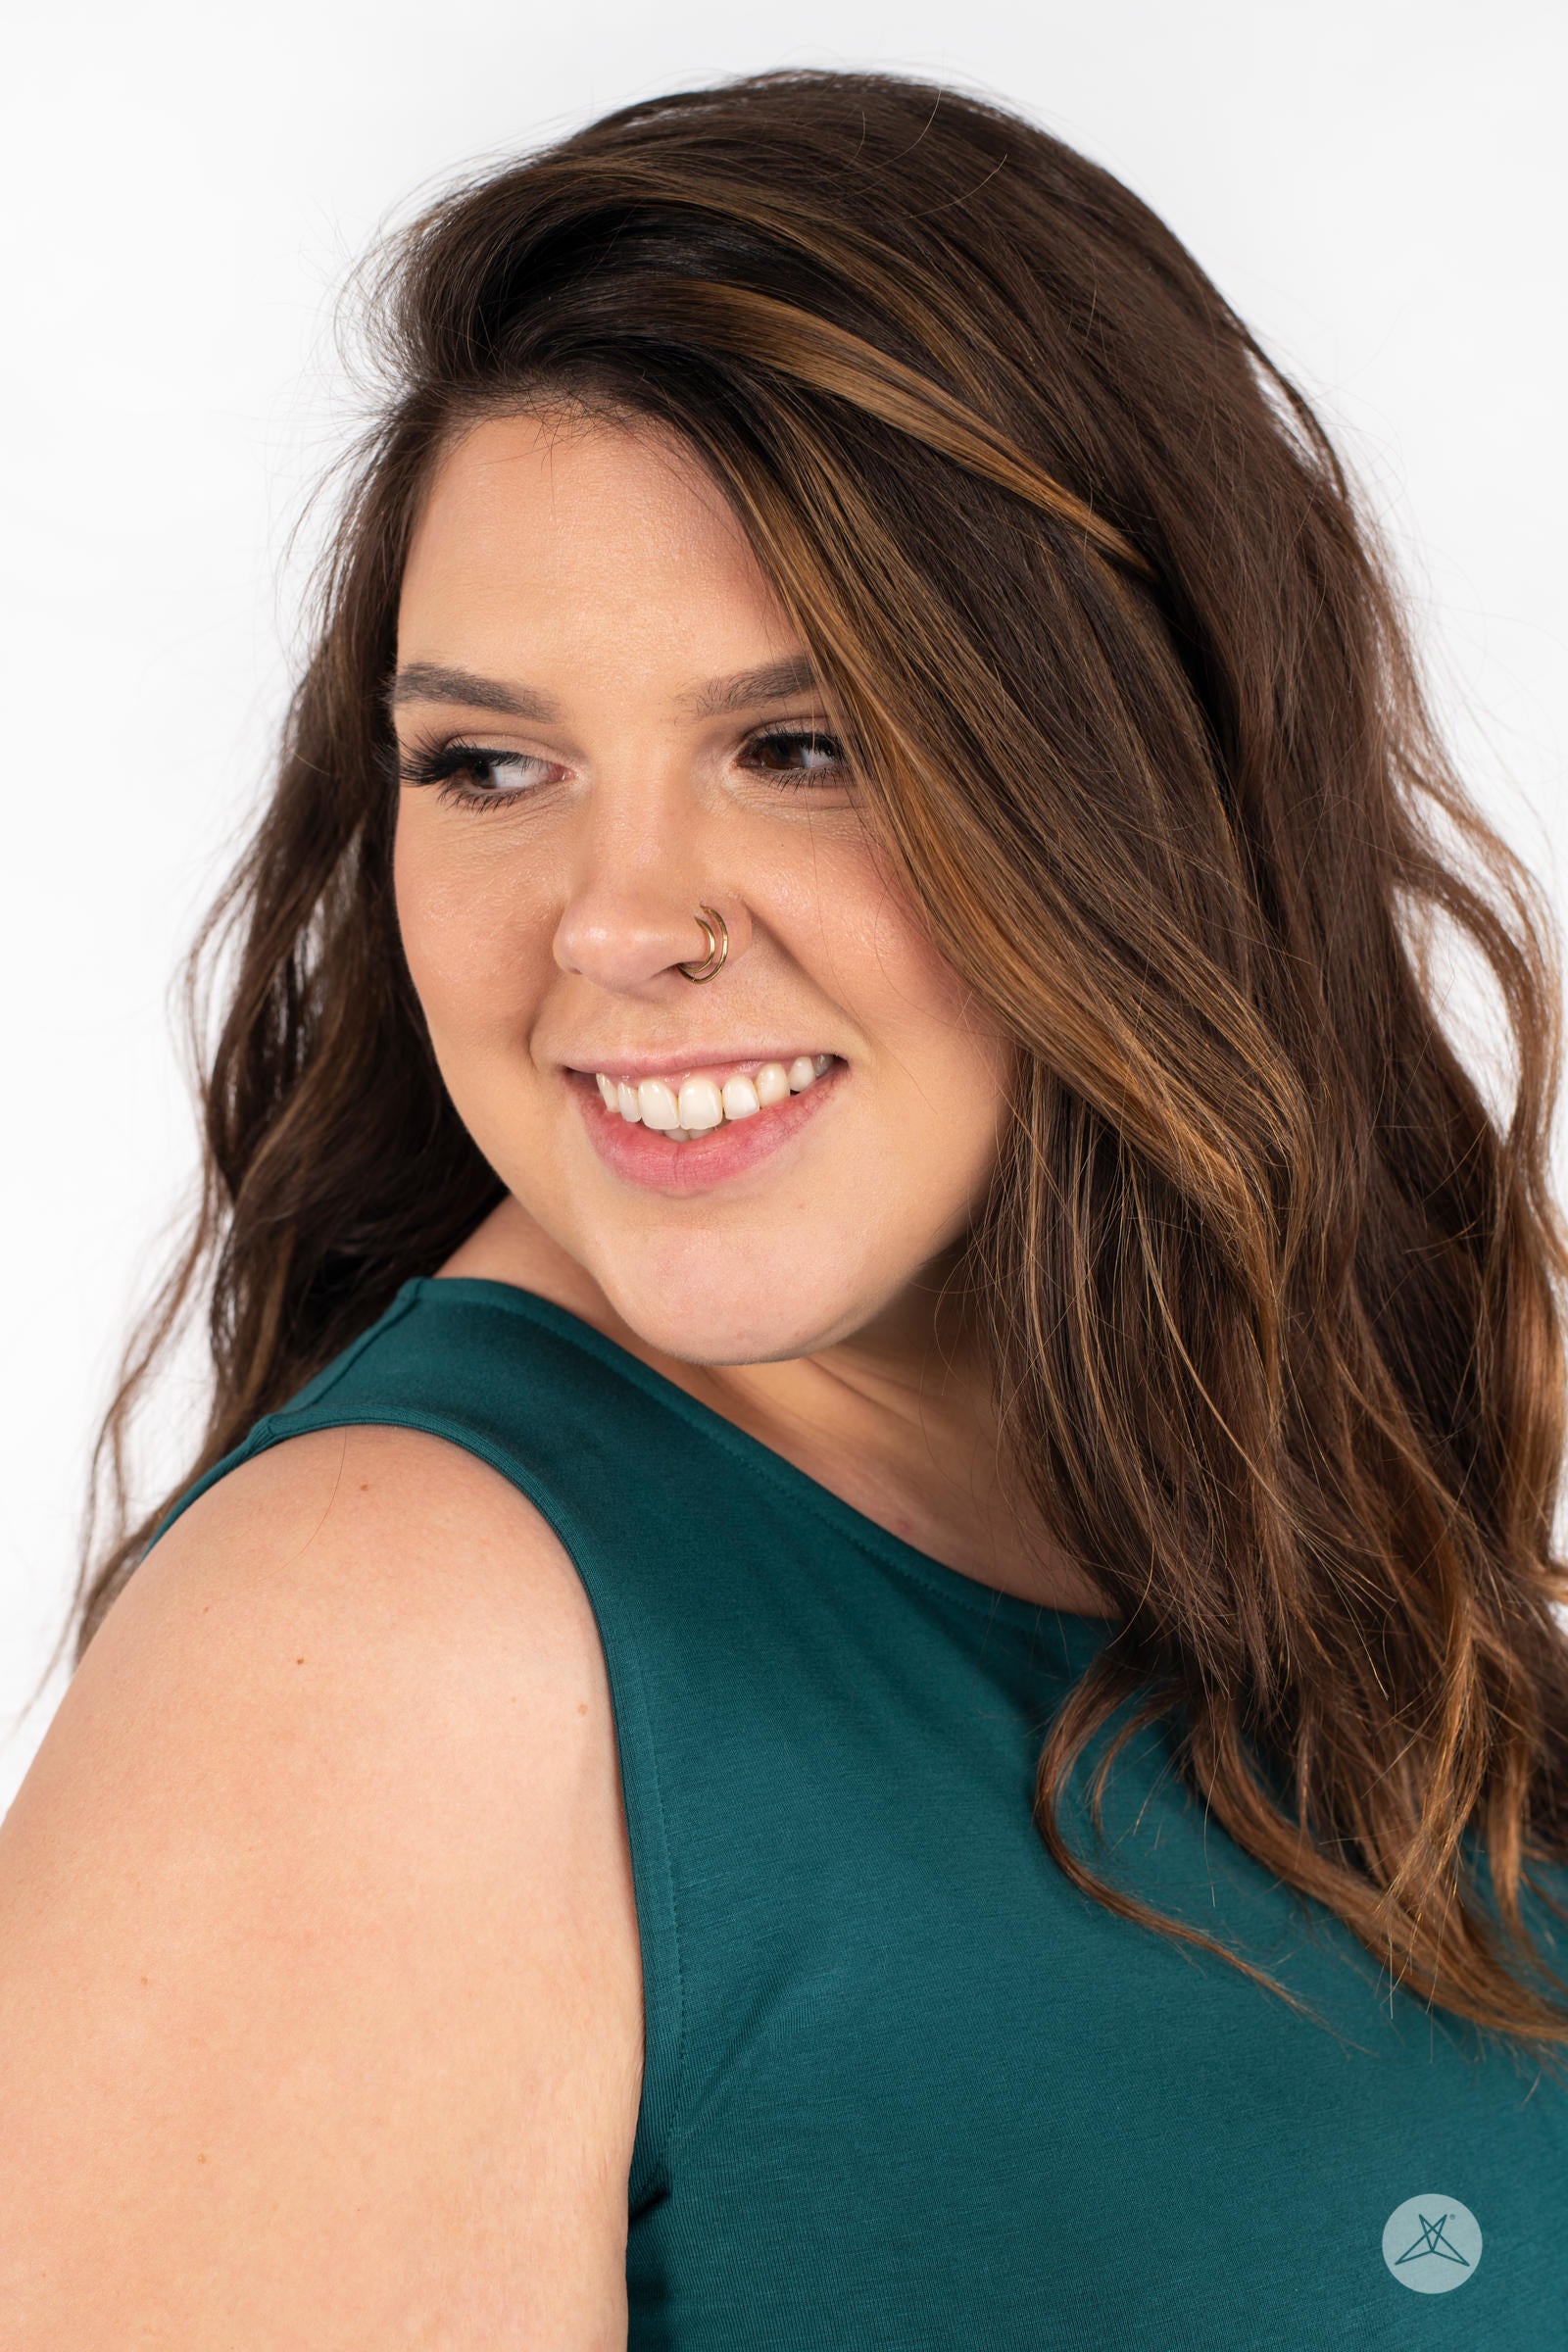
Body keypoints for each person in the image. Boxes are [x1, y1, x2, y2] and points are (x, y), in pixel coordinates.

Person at [3, 64, 1567, 2348]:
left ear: (1137, 781)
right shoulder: (387, 1662)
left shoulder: (1301, 1497)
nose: (613, 920)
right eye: (488, 763)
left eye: (798, 747)